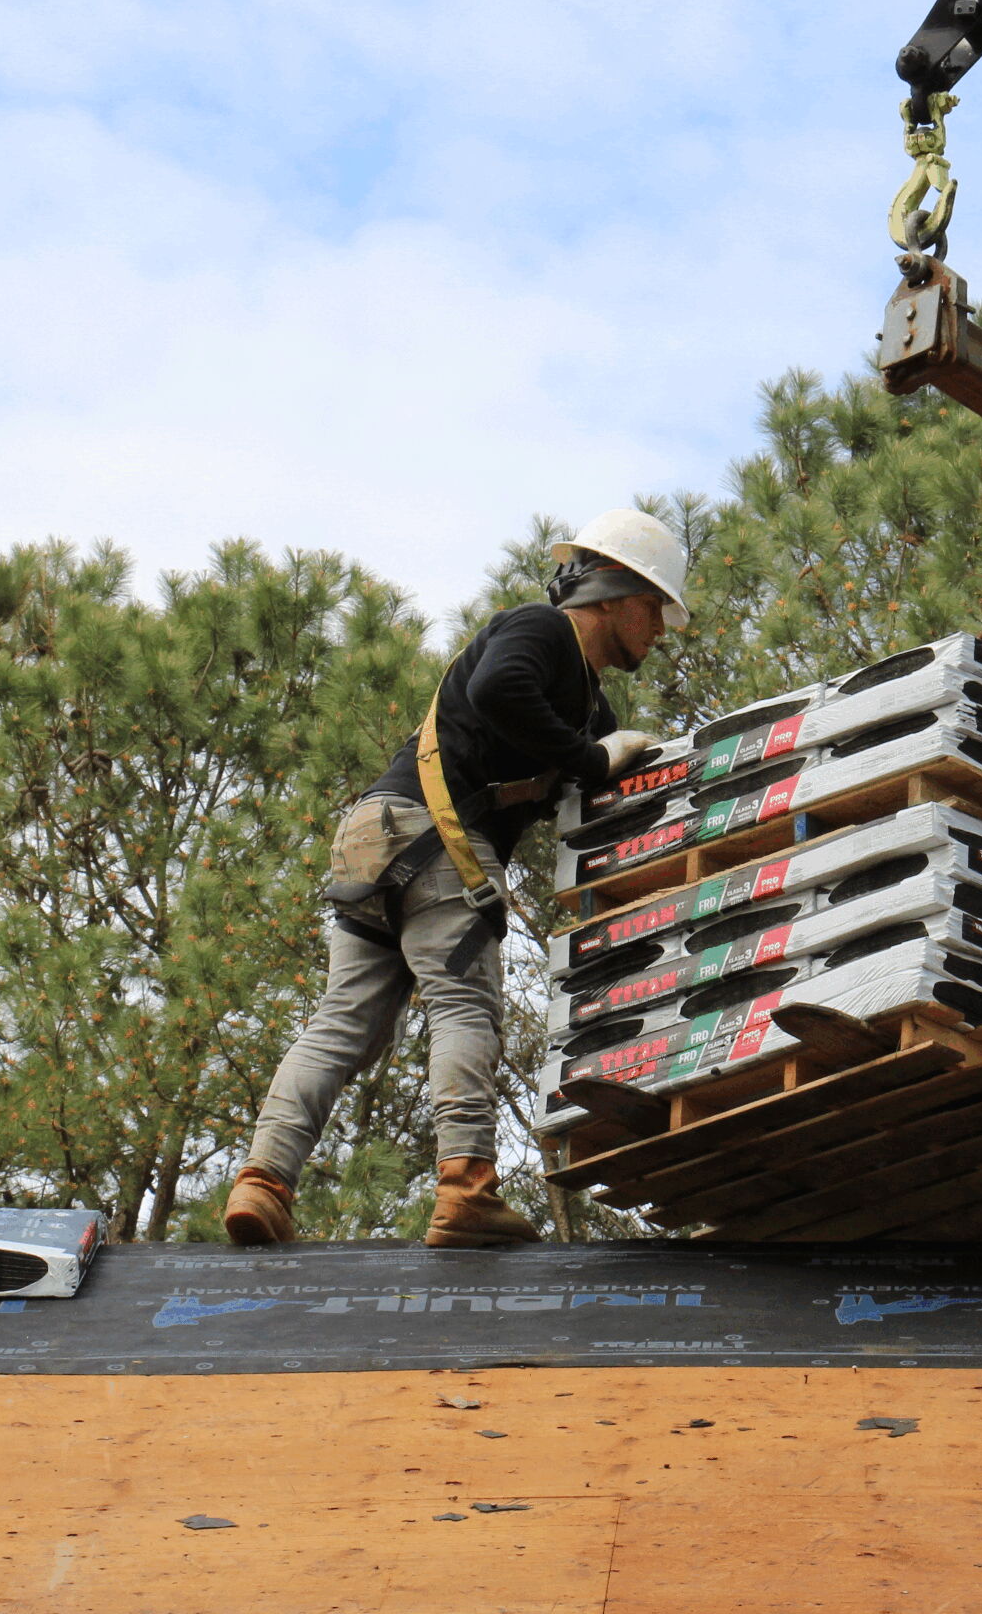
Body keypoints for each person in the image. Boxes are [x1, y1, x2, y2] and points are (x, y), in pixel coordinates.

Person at [223, 509, 686, 1248]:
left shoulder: (586, 704)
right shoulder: (540, 631)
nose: (662, 629)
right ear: (613, 592)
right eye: (656, 609)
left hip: (377, 836)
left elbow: (583, 779)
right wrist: (595, 759)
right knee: (466, 1008)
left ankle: (263, 1182)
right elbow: (502, 689)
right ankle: (465, 1188)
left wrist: (608, 763)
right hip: (436, 837)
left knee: (346, 1024)